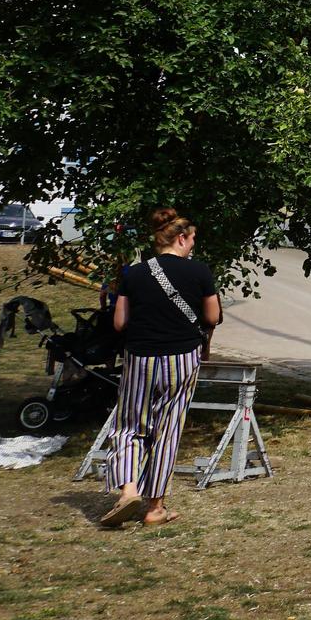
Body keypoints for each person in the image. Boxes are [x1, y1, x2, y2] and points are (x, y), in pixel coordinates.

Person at [100, 208, 221, 528]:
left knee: (129, 426)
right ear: (181, 238)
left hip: (141, 357)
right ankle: (155, 508)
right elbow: (211, 318)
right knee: (167, 430)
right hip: (182, 358)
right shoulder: (200, 272)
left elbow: (119, 322)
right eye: (193, 239)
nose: (194, 244)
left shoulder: (133, 274)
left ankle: (128, 491)